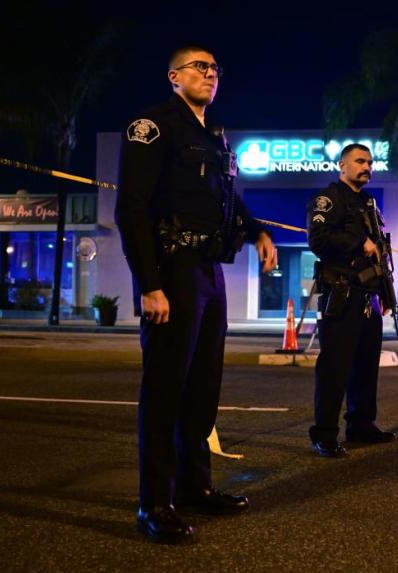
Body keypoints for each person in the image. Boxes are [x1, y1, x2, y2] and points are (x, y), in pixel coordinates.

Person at [116, 45, 277, 544]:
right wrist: (150, 285)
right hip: (174, 269)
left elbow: (229, 200)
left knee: (204, 387)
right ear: (173, 76)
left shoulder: (214, 137)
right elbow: (132, 210)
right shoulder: (153, 126)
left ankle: (195, 487)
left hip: (210, 271)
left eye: (214, 69)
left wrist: (257, 231)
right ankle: (154, 504)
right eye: (199, 68)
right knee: (165, 389)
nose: (209, 75)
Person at [306, 143, 396, 458]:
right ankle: (324, 435)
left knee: (366, 366)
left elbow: (380, 252)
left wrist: (385, 293)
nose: (366, 166)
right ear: (342, 165)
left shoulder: (368, 203)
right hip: (341, 294)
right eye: (359, 161)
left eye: (370, 162)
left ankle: (361, 424)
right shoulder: (328, 199)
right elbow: (317, 240)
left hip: (368, 296)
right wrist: (360, 243)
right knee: (335, 367)